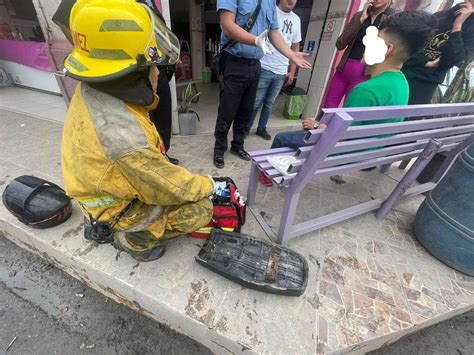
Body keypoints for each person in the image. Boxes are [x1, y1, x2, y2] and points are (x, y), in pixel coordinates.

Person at [61, 0, 215, 262]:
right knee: (201, 208)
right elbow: (167, 186)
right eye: (154, 66)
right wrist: (207, 184)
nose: (157, 72)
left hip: (99, 192)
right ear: (133, 71)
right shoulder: (125, 139)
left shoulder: (94, 88)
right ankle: (133, 239)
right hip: (116, 209)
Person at [259, 10, 437, 186]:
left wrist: (316, 125)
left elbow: (334, 137)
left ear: (387, 50)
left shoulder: (366, 90)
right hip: (369, 153)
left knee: (282, 139)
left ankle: (269, 176)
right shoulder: (402, 83)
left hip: (341, 154)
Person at [53, 0, 180, 165]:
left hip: (146, 67)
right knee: (141, 136)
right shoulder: (122, 129)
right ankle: (155, 161)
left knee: (159, 124)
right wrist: (92, 52)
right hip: (130, 73)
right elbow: (62, 18)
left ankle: (162, 157)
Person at [213, 0, 312, 169]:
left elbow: (274, 32)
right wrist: (256, 41)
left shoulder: (269, 2)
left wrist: (291, 54)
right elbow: (227, 25)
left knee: (246, 111)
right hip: (233, 62)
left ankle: (238, 145)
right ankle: (219, 149)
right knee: (227, 111)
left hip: (255, 65)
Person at [245, 0, 302, 141]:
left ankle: (261, 128)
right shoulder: (270, 11)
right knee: (256, 101)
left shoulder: (296, 20)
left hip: (282, 70)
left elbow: (295, 47)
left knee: (270, 103)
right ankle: (245, 128)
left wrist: (292, 71)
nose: (291, 1)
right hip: (264, 66)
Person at [322, 0, 394, 109]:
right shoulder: (359, 15)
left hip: (366, 73)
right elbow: (340, 44)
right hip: (343, 69)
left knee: (349, 110)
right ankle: (322, 125)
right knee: (328, 107)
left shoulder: (392, 19)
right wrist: (360, 20)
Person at [402, 0, 474, 105]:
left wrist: (457, 26)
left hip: (425, 85)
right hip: (403, 72)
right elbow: (408, 45)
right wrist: (423, 61)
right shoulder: (441, 16)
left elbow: (453, 60)